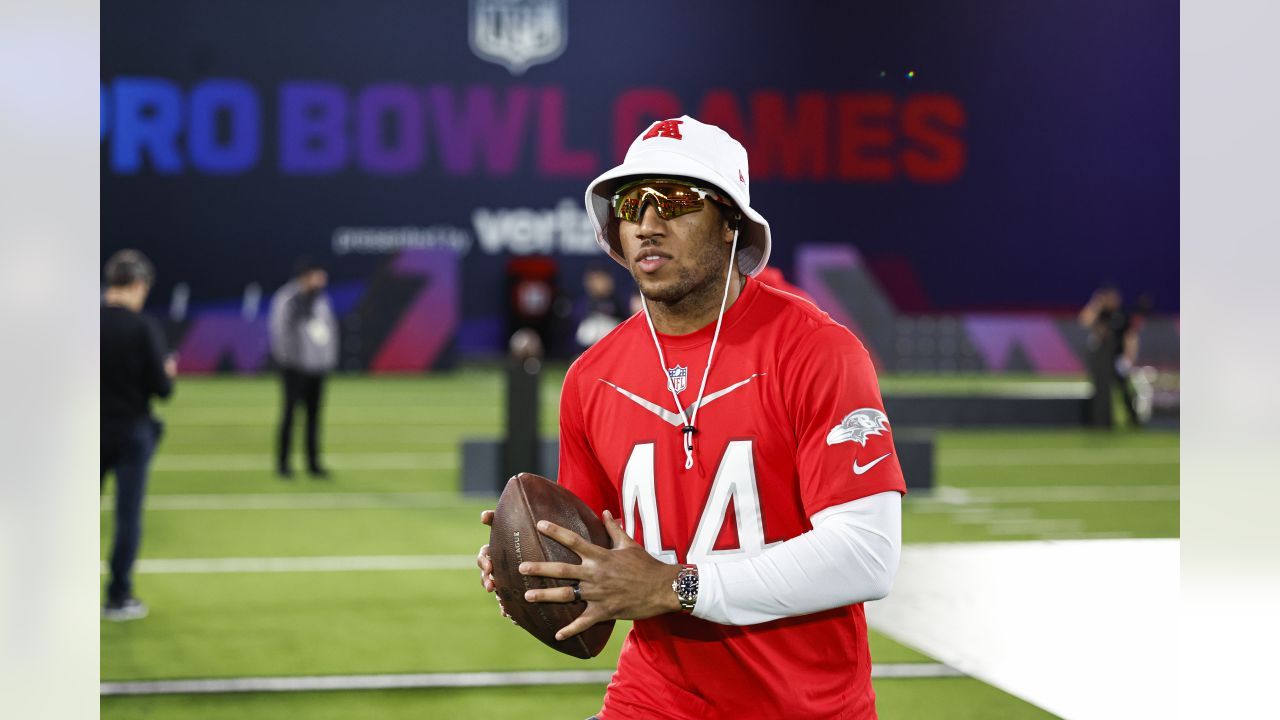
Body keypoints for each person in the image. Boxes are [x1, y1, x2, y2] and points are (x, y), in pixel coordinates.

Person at [477, 116, 906, 719]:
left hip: (805, 705)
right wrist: (534, 563)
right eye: (632, 202)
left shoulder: (817, 350)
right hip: (655, 697)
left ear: (731, 220)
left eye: (676, 200)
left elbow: (867, 554)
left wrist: (674, 585)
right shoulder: (590, 377)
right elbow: (597, 556)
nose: (649, 223)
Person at [101, 249, 175, 621]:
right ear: (137, 285)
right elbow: (162, 388)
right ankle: (117, 596)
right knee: (127, 516)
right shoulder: (143, 327)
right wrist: (168, 373)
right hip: (132, 429)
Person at [268, 257, 338, 478]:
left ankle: (313, 463)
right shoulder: (288, 299)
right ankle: (283, 463)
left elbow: (329, 331)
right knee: (290, 415)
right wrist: (288, 361)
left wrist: (327, 360)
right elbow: (279, 333)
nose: (322, 279)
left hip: (318, 368)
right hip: (295, 367)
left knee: (314, 417)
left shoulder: (321, 300)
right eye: (318, 275)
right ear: (306, 276)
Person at [1079, 285, 1141, 427]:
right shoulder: (1101, 313)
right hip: (1102, 359)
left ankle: (1133, 420)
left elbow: (1130, 337)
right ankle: (1104, 421)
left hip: (1118, 358)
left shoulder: (1122, 314)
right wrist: (1095, 303)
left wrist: (1128, 358)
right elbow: (1084, 320)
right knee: (1102, 390)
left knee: (1124, 390)